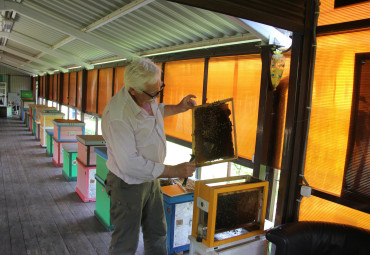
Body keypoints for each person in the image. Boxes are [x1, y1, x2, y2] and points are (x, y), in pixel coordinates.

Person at [101, 58, 197, 255]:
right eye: (153, 92)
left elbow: (155, 110)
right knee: (125, 243)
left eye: (159, 87)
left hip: (151, 179)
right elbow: (129, 164)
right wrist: (175, 170)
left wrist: (178, 107)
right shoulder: (118, 115)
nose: (156, 95)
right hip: (127, 184)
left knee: (158, 233)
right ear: (133, 91)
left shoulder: (145, 96)